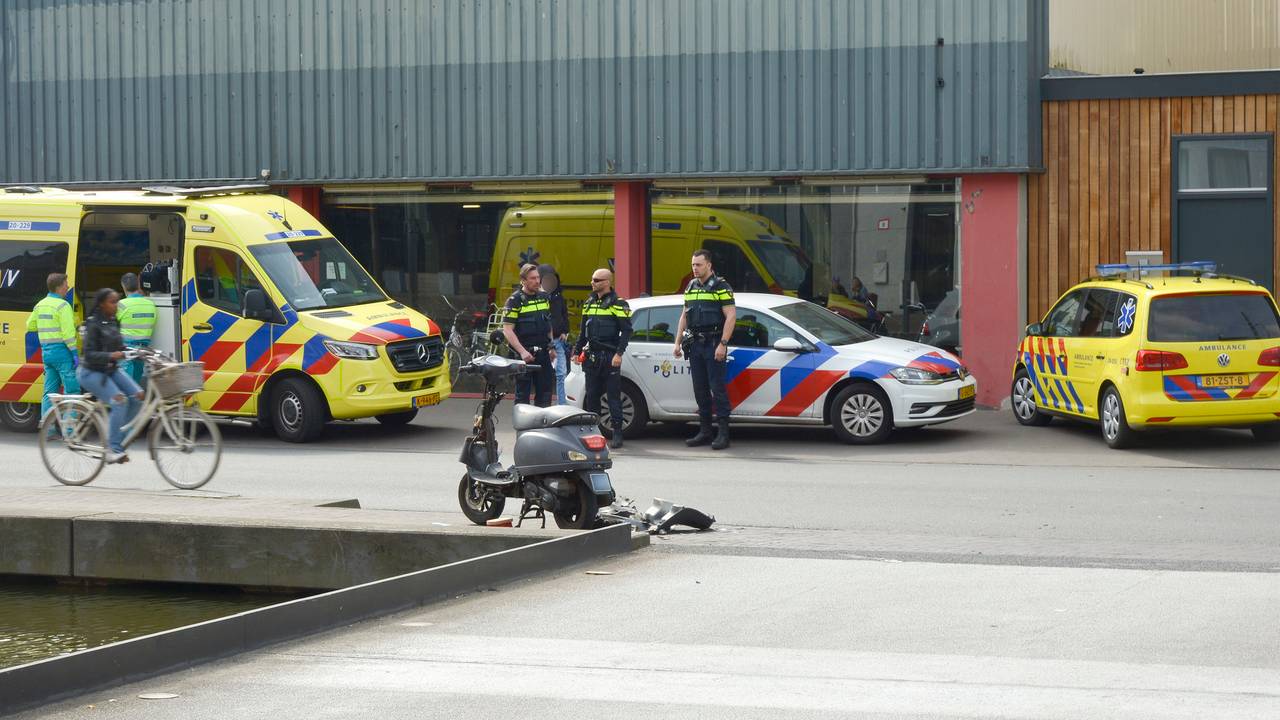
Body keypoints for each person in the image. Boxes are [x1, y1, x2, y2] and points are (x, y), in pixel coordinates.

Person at [672, 249, 735, 450]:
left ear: (708, 265)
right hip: (696, 345)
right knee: (700, 389)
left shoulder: (721, 286)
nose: (695, 269)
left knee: (717, 389)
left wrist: (723, 344)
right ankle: (705, 431)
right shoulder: (690, 286)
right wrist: (677, 342)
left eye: (698, 265)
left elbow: (731, 316)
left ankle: (723, 434)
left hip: (714, 343)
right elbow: (684, 316)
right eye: (693, 265)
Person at [77, 288, 143, 464]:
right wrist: (110, 356)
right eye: (112, 302)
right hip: (91, 372)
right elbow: (89, 354)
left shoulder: (113, 321)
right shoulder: (92, 323)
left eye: (117, 301)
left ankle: (118, 437)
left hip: (111, 370)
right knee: (119, 401)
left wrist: (139, 352)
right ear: (101, 304)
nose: (116, 305)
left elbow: (120, 347)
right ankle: (113, 448)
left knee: (138, 396)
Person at [572, 269, 632, 449]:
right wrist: (576, 351)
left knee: (613, 396)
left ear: (607, 282)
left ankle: (617, 433)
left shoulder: (619, 304)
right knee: (592, 396)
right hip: (592, 356)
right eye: (592, 279)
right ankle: (593, 433)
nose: (593, 283)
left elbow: (627, 331)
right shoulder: (589, 303)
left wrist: (619, 354)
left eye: (597, 280)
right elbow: (583, 332)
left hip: (609, 356)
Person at [28, 273, 80, 428]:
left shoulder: (40, 305)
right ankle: (70, 431)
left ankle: (47, 429)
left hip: (47, 354)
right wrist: (74, 353)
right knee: (72, 392)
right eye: (66, 284)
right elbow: (68, 334)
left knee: (49, 392)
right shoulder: (63, 306)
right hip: (62, 353)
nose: (67, 287)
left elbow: (29, 325)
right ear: (59, 287)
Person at [502, 263, 557, 407]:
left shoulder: (544, 297)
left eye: (538, 277)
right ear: (523, 280)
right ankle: (523, 428)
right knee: (522, 397)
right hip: (524, 355)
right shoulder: (514, 301)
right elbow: (507, 330)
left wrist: (551, 346)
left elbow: (548, 324)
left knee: (545, 394)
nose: (537, 281)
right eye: (532, 278)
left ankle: (543, 427)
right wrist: (522, 352)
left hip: (543, 353)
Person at [537, 263, 570, 405]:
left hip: (558, 340)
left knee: (561, 374)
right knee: (545, 376)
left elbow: (563, 315)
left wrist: (564, 331)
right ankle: (545, 406)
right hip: (544, 343)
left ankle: (561, 405)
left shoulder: (558, 297)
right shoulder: (538, 298)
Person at [117, 272, 156, 386]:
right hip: (142, 349)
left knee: (125, 386)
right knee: (135, 385)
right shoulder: (150, 304)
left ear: (123, 286)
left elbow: (112, 325)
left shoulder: (122, 304)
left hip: (126, 349)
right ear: (138, 285)